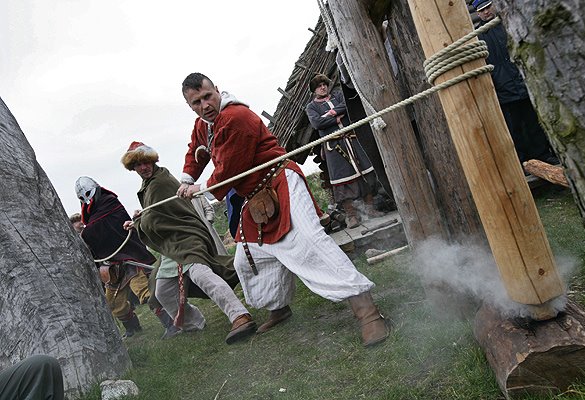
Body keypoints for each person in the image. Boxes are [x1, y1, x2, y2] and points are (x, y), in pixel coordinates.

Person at [177, 72, 388, 347]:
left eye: (207, 96)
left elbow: (230, 169)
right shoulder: (203, 125)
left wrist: (201, 187)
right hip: (254, 198)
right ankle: (279, 307)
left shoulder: (236, 117)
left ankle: (367, 311)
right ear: (190, 105)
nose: (204, 105)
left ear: (217, 90)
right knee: (248, 257)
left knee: (312, 242)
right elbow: (197, 150)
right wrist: (186, 179)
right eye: (196, 102)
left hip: (280, 181)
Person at [121, 142, 256, 344]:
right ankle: (193, 324)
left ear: (152, 161)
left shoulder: (160, 182)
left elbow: (154, 220)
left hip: (186, 238)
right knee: (164, 291)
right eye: (138, 165)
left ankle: (239, 315)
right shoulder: (148, 184)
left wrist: (140, 222)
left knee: (201, 274)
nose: (143, 167)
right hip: (172, 244)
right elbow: (155, 215)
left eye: (146, 162)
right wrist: (139, 220)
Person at [75, 176, 176, 339]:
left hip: (130, 257)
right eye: (82, 197)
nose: (87, 199)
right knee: (114, 303)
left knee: (146, 292)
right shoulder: (94, 214)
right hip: (113, 265)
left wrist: (84, 236)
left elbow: (96, 228)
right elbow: (95, 229)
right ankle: (133, 328)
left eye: (88, 193)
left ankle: (171, 323)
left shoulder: (110, 202)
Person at [474, 0, 558, 166]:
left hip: (524, 85)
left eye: (488, 7)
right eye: (481, 10)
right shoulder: (478, 36)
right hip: (502, 90)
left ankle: (543, 155)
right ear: (477, 13)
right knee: (514, 131)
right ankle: (522, 162)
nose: (486, 12)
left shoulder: (509, 24)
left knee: (534, 124)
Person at [305, 74, 384, 228]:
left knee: (365, 172)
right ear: (314, 90)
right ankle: (351, 215)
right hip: (334, 147)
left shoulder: (338, 95)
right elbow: (317, 123)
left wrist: (330, 113)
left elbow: (347, 107)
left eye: (324, 84)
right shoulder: (311, 107)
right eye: (319, 86)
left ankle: (370, 208)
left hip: (353, 139)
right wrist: (337, 118)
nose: (323, 87)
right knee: (342, 179)